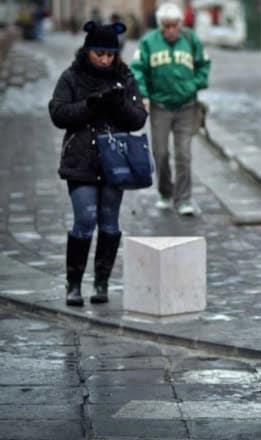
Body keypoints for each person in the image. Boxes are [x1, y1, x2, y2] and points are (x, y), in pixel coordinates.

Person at [48, 21, 148, 307]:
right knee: (84, 219)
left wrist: (119, 105)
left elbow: (139, 118)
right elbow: (58, 113)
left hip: (115, 161)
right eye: (99, 53)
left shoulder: (124, 77)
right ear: (88, 50)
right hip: (81, 159)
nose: (105, 60)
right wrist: (90, 105)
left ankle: (101, 282)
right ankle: (74, 284)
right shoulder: (72, 77)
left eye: (110, 54)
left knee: (110, 222)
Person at [130, 2, 211, 215]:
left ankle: (184, 199)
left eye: (175, 25)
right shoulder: (149, 42)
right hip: (160, 106)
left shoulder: (191, 40)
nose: (171, 30)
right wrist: (144, 95)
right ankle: (166, 192)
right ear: (160, 26)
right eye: (166, 26)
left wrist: (194, 85)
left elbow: (204, 65)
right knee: (161, 153)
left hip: (187, 106)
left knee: (183, 154)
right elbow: (137, 70)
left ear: (180, 24)